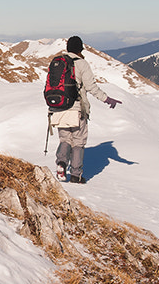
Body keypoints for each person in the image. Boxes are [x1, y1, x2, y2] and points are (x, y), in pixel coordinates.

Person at [50, 36, 121, 183]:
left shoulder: (58, 62)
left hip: (59, 108)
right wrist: (107, 99)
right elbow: (91, 87)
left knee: (65, 139)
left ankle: (61, 164)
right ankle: (76, 175)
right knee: (78, 142)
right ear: (79, 49)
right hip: (77, 109)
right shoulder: (81, 64)